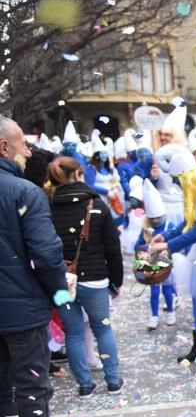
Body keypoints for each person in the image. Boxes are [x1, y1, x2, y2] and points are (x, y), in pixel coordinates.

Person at [0, 116, 91, 417]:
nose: (28, 151)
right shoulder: (23, 192)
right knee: (32, 388)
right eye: (22, 144)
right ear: (4, 147)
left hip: (15, 305)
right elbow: (47, 256)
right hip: (21, 311)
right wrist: (59, 293)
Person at [46, 157, 125, 397]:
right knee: (103, 329)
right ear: (78, 174)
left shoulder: (47, 205)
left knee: (74, 332)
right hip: (95, 278)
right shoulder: (96, 205)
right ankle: (112, 380)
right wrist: (116, 281)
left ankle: (84, 384)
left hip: (62, 281)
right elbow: (112, 248)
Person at [148, 147, 196, 364]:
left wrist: (168, 246)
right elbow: (189, 221)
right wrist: (166, 236)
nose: (177, 184)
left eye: (178, 179)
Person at [134, 179, 176, 331]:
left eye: (159, 217)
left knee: (168, 288)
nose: (157, 221)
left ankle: (171, 311)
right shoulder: (146, 227)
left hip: (166, 261)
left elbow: (176, 243)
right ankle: (154, 315)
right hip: (151, 263)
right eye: (153, 219)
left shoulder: (169, 226)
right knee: (154, 289)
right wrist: (147, 245)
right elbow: (136, 246)